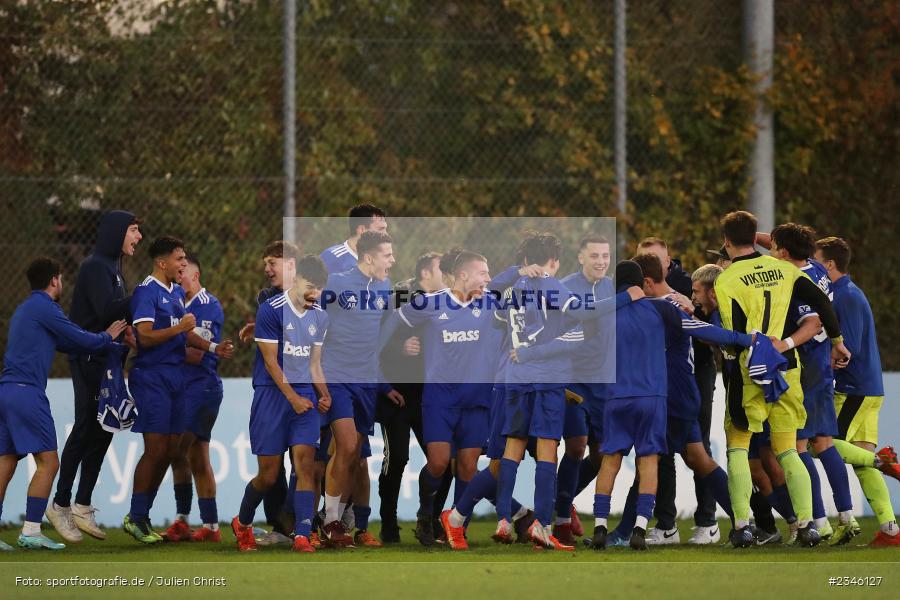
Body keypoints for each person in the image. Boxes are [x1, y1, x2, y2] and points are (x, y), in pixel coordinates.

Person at [590, 259, 761, 551]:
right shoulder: (664, 307)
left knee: (629, 459)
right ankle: (647, 528)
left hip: (647, 396)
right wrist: (746, 339)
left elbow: (579, 322)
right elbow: (703, 330)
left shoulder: (623, 312)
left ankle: (607, 528)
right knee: (665, 458)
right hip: (658, 395)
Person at [714, 211, 849, 548]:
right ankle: (808, 525)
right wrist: (836, 341)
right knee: (788, 450)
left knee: (739, 447)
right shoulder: (786, 270)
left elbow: (735, 335)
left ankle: (742, 525)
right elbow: (821, 303)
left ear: (726, 241)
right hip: (786, 367)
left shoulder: (727, 279)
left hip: (749, 370)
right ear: (756, 236)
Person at [0, 257, 125, 550]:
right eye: (61, 279)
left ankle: (28, 530)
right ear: (55, 280)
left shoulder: (26, 309)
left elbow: (69, 344)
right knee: (49, 462)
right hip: (26, 392)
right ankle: (31, 530)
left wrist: (108, 344)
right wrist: (108, 335)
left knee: (5, 462)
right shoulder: (46, 308)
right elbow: (79, 337)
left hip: (6, 390)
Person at [123, 237, 230, 544]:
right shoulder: (147, 291)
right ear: (162, 262)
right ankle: (137, 516)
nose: (183, 264)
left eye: (185, 259)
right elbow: (144, 335)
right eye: (179, 259)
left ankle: (148, 517)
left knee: (171, 451)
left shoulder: (174, 294)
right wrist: (180, 329)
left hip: (176, 381)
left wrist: (212, 346)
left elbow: (183, 338)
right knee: (158, 450)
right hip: (153, 377)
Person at [46, 210, 141, 543]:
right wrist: (145, 294)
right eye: (133, 230)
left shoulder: (113, 268)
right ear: (117, 232)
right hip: (87, 356)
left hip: (107, 358)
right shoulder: (95, 266)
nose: (138, 237)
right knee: (86, 426)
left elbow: (117, 313)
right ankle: (59, 504)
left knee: (106, 428)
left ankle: (82, 505)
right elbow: (105, 312)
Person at [231, 255, 331, 553]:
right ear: (297, 279)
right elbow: (271, 363)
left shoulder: (320, 316)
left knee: (306, 466)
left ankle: (302, 535)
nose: (315, 294)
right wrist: (293, 398)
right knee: (269, 475)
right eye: (311, 286)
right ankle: (243, 522)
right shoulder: (271, 311)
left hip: (305, 399)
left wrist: (323, 394)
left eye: (320, 289)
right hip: (273, 397)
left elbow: (315, 365)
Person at [319, 231, 403, 547]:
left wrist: (382, 383)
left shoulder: (385, 289)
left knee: (356, 456)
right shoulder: (337, 284)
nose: (392, 260)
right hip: (337, 379)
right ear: (369, 257)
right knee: (347, 445)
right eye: (387, 255)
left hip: (367, 383)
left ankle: (343, 524)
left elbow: (378, 339)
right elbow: (310, 315)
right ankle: (330, 522)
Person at [815, 236, 900, 547]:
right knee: (861, 463)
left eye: (816, 258)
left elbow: (845, 348)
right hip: (867, 387)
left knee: (821, 443)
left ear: (830, 264)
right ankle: (891, 530)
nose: (812, 263)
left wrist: (814, 364)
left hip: (853, 388)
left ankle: (885, 463)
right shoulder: (845, 292)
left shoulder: (845, 296)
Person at [164, 254, 232, 542]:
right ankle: (207, 525)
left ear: (197, 275)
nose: (180, 277)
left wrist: (159, 345)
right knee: (194, 456)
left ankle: (187, 519)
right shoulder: (177, 303)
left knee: (175, 451)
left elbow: (194, 354)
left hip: (201, 389)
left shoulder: (208, 305)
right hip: (184, 389)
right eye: (178, 273)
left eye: (185, 273)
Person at [376, 252, 444, 543]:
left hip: (430, 397)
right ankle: (388, 523)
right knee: (398, 458)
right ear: (425, 273)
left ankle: (428, 518)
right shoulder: (400, 296)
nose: (450, 274)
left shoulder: (446, 299)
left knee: (442, 460)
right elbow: (376, 340)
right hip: (397, 395)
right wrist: (400, 348)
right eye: (444, 270)